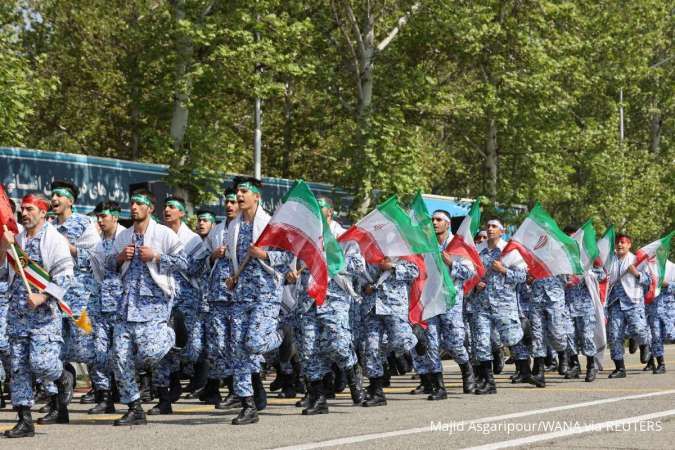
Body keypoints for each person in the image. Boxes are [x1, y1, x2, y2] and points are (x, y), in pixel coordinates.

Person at [108, 189, 185, 425]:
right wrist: (120, 257)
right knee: (119, 358)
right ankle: (134, 407)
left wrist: (157, 256)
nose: (133, 207)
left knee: (150, 355)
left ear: (150, 208)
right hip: (126, 306)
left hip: (154, 305)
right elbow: (108, 266)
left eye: (139, 203)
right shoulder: (123, 236)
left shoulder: (164, 234)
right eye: (132, 203)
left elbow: (184, 264)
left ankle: (171, 334)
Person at [0, 193, 74, 438]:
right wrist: (4, 247)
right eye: (22, 209)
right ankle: (24, 420)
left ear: (43, 212)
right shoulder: (16, 239)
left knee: (42, 365)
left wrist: (43, 297)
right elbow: (3, 274)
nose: (24, 213)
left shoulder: (54, 239)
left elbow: (65, 277)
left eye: (30, 209)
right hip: (18, 315)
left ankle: (63, 377)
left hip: (44, 316)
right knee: (18, 368)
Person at [225, 177, 291, 425]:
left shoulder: (271, 226)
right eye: (237, 192)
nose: (239, 196)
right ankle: (248, 404)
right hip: (242, 293)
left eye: (244, 192)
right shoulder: (234, 226)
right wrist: (233, 277)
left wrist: (264, 254)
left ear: (256, 197)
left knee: (254, 342)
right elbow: (235, 259)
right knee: (238, 347)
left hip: (265, 293)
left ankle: (281, 336)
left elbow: (289, 258)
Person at [49, 180, 101, 414]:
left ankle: (103, 392)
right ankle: (57, 396)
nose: (54, 199)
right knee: (52, 342)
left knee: (86, 344)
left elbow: (97, 257)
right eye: (52, 195)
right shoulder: (48, 225)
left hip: (80, 295)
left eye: (59, 195)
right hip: (55, 293)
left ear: (70, 200)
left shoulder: (84, 223)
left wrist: (69, 248)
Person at [472, 220, 526, 394]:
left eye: (494, 227)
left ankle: (525, 370)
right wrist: (475, 284)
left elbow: (523, 276)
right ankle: (488, 382)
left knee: (512, 338)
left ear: (502, 232)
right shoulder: (477, 250)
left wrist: (504, 270)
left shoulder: (509, 250)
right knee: (481, 342)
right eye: (488, 226)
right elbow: (469, 275)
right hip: (481, 304)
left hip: (504, 304)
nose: (490, 229)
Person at [89, 201, 126, 413]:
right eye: (98, 217)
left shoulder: (126, 238)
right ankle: (104, 396)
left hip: (123, 307)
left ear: (115, 217)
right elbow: (97, 274)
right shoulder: (97, 244)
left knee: (122, 353)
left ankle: (132, 391)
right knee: (99, 352)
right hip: (102, 306)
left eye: (104, 216)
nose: (100, 221)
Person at [606, 234, 652, 378]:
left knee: (638, 329)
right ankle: (620, 368)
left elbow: (649, 280)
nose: (620, 245)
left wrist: (637, 274)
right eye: (618, 243)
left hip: (633, 301)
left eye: (623, 243)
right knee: (614, 335)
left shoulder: (636, 260)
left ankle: (645, 344)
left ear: (629, 245)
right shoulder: (609, 260)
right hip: (615, 302)